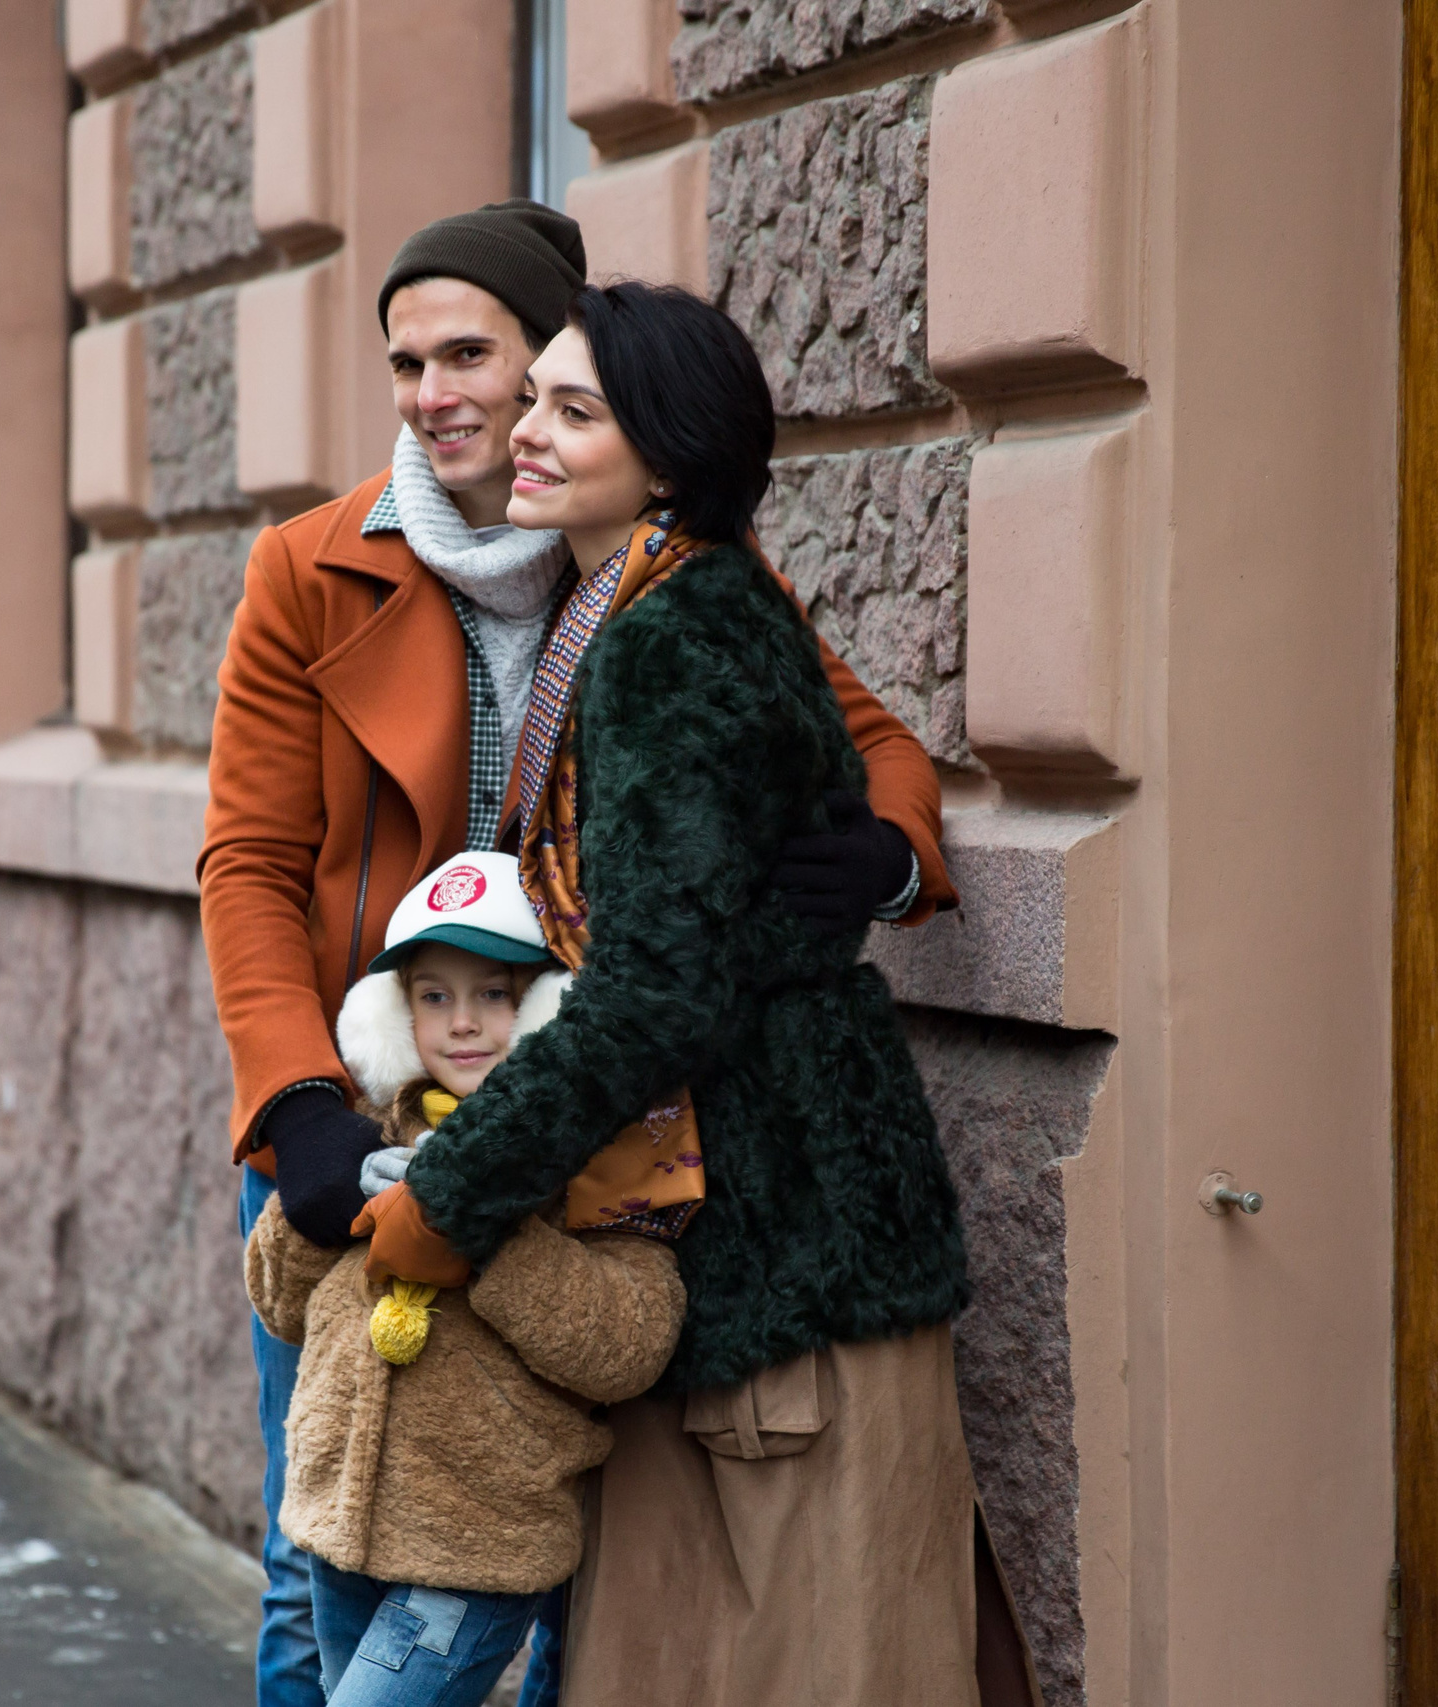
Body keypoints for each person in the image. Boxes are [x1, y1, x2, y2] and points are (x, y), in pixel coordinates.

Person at [200, 201, 956, 1706]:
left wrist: (891, 854)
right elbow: (250, 861)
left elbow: (854, 736)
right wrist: (297, 1108)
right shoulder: (314, 566)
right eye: (407, 361)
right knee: (326, 1543)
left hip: (571, 1124)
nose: (441, 396)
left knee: (541, 1539)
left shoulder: (633, 558)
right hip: (367, 1109)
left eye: (478, 354)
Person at [393, 281, 980, 1706]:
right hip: (734, 1234)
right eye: (537, 396)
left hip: (779, 1246)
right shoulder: (643, 604)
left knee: (804, 1652)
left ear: (668, 456)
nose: (525, 430)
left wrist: (452, 1189)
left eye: (573, 410)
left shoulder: (677, 627)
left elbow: (655, 983)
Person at [246, 851, 685, 1706]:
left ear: (543, 1004)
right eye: (434, 995)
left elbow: (631, 1339)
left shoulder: (591, 1150)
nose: (464, 1023)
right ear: (395, 1012)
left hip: (476, 1548)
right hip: (339, 1533)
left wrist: (489, 1230)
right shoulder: (367, 1129)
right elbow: (276, 1303)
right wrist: (322, 1201)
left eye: (494, 992)